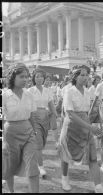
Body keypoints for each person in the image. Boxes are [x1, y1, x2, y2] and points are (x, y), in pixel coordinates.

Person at [58, 65, 103, 193]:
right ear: (75, 76)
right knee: (66, 155)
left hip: (85, 126)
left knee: (93, 157)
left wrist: (92, 125)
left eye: (86, 75)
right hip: (71, 127)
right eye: (81, 75)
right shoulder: (69, 91)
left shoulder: (88, 92)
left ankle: (98, 187)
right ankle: (64, 178)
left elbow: (87, 111)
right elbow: (70, 114)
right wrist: (90, 127)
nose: (85, 77)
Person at [2, 63, 39, 193]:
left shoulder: (29, 94)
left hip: (28, 132)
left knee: (33, 165)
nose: (26, 79)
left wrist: (34, 133)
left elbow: (32, 116)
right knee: (9, 166)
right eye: (22, 76)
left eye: (27, 77)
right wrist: (3, 142)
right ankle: (11, 191)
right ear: (13, 77)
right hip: (10, 133)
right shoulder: (5, 95)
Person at [28, 69, 58, 177]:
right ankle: (40, 167)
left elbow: (51, 104)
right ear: (34, 78)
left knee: (43, 142)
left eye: (41, 76)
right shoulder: (30, 91)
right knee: (38, 143)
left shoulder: (47, 90)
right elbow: (27, 106)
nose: (39, 78)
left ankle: (34, 160)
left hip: (45, 117)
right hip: (34, 117)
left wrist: (55, 113)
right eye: (37, 76)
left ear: (44, 78)